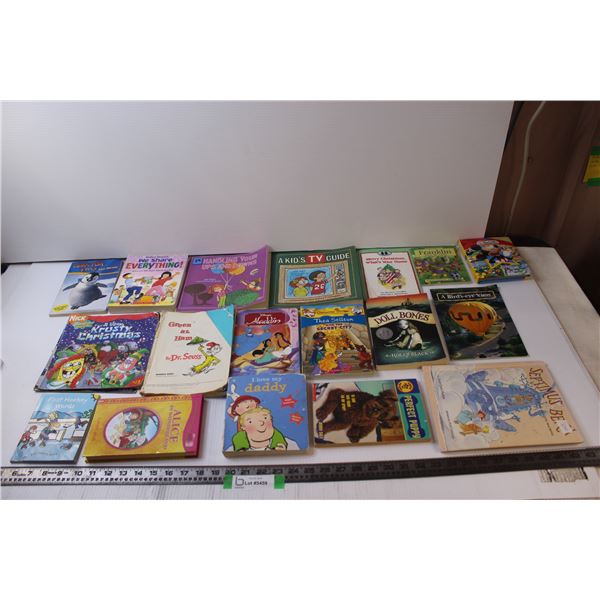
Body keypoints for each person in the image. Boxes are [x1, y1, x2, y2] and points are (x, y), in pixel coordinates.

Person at [226, 407, 299, 452]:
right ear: (243, 427)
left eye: (265, 418)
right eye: (250, 421)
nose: (261, 423)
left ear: (271, 420)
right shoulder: (232, 450)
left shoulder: (290, 445)